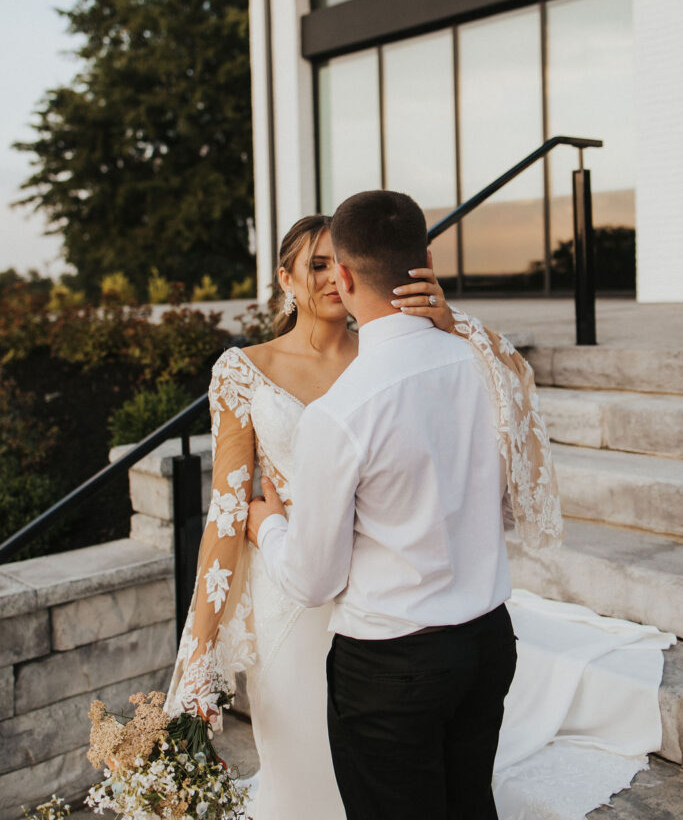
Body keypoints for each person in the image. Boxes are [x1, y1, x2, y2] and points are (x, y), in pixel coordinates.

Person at [247, 190, 547, 819]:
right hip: (488, 642)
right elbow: (517, 490)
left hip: (391, 667)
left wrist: (269, 525)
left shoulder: (342, 412)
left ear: (348, 277)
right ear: (426, 260)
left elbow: (313, 579)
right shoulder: (487, 364)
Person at [164, 210, 471, 819]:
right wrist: (199, 649)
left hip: (382, 589)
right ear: (287, 278)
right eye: (318, 264)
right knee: (304, 762)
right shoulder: (244, 370)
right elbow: (229, 510)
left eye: (342, 263)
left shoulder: (390, 355)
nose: (335, 277)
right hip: (290, 598)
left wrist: (451, 327)